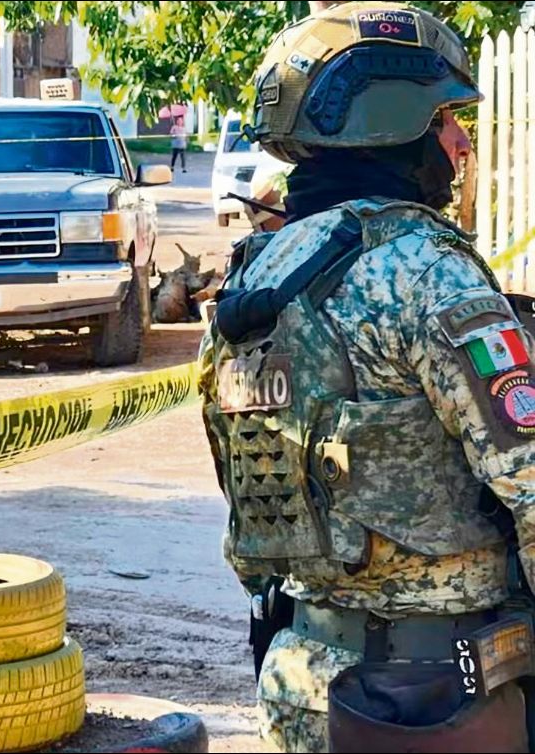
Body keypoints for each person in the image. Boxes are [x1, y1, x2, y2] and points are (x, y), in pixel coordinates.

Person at [200, 3, 535, 752]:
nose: (460, 140)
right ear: (392, 124)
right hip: (439, 698)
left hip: (300, 682)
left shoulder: (257, 277)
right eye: (444, 119)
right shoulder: (426, 272)